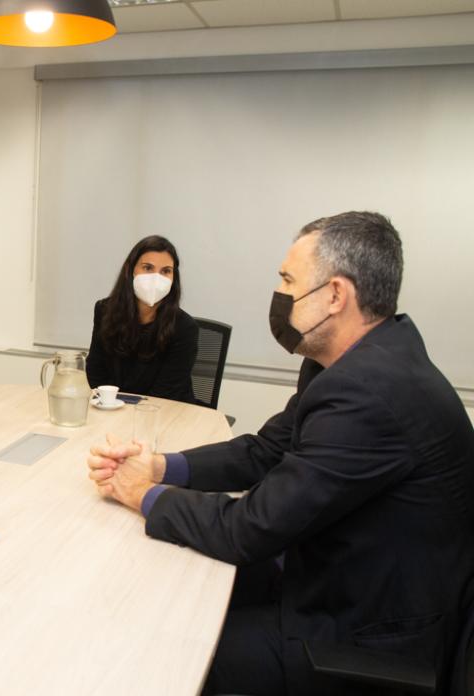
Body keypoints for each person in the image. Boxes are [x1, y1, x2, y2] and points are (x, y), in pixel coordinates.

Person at [86, 212, 474, 695]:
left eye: (288, 280)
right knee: (162, 591)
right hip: (327, 572)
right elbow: (267, 450)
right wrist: (162, 466)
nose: (278, 293)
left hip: (362, 632)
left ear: (335, 295)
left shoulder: (370, 392)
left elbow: (249, 528)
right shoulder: (343, 363)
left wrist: (143, 492)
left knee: (163, 649)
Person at [86, 235, 199, 404]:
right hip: (113, 408)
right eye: (148, 268)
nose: (156, 278)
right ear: (130, 270)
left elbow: (166, 392)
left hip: (166, 411)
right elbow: (96, 370)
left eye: (165, 271)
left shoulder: (185, 328)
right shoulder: (104, 310)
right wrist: (111, 405)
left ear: (173, 278)